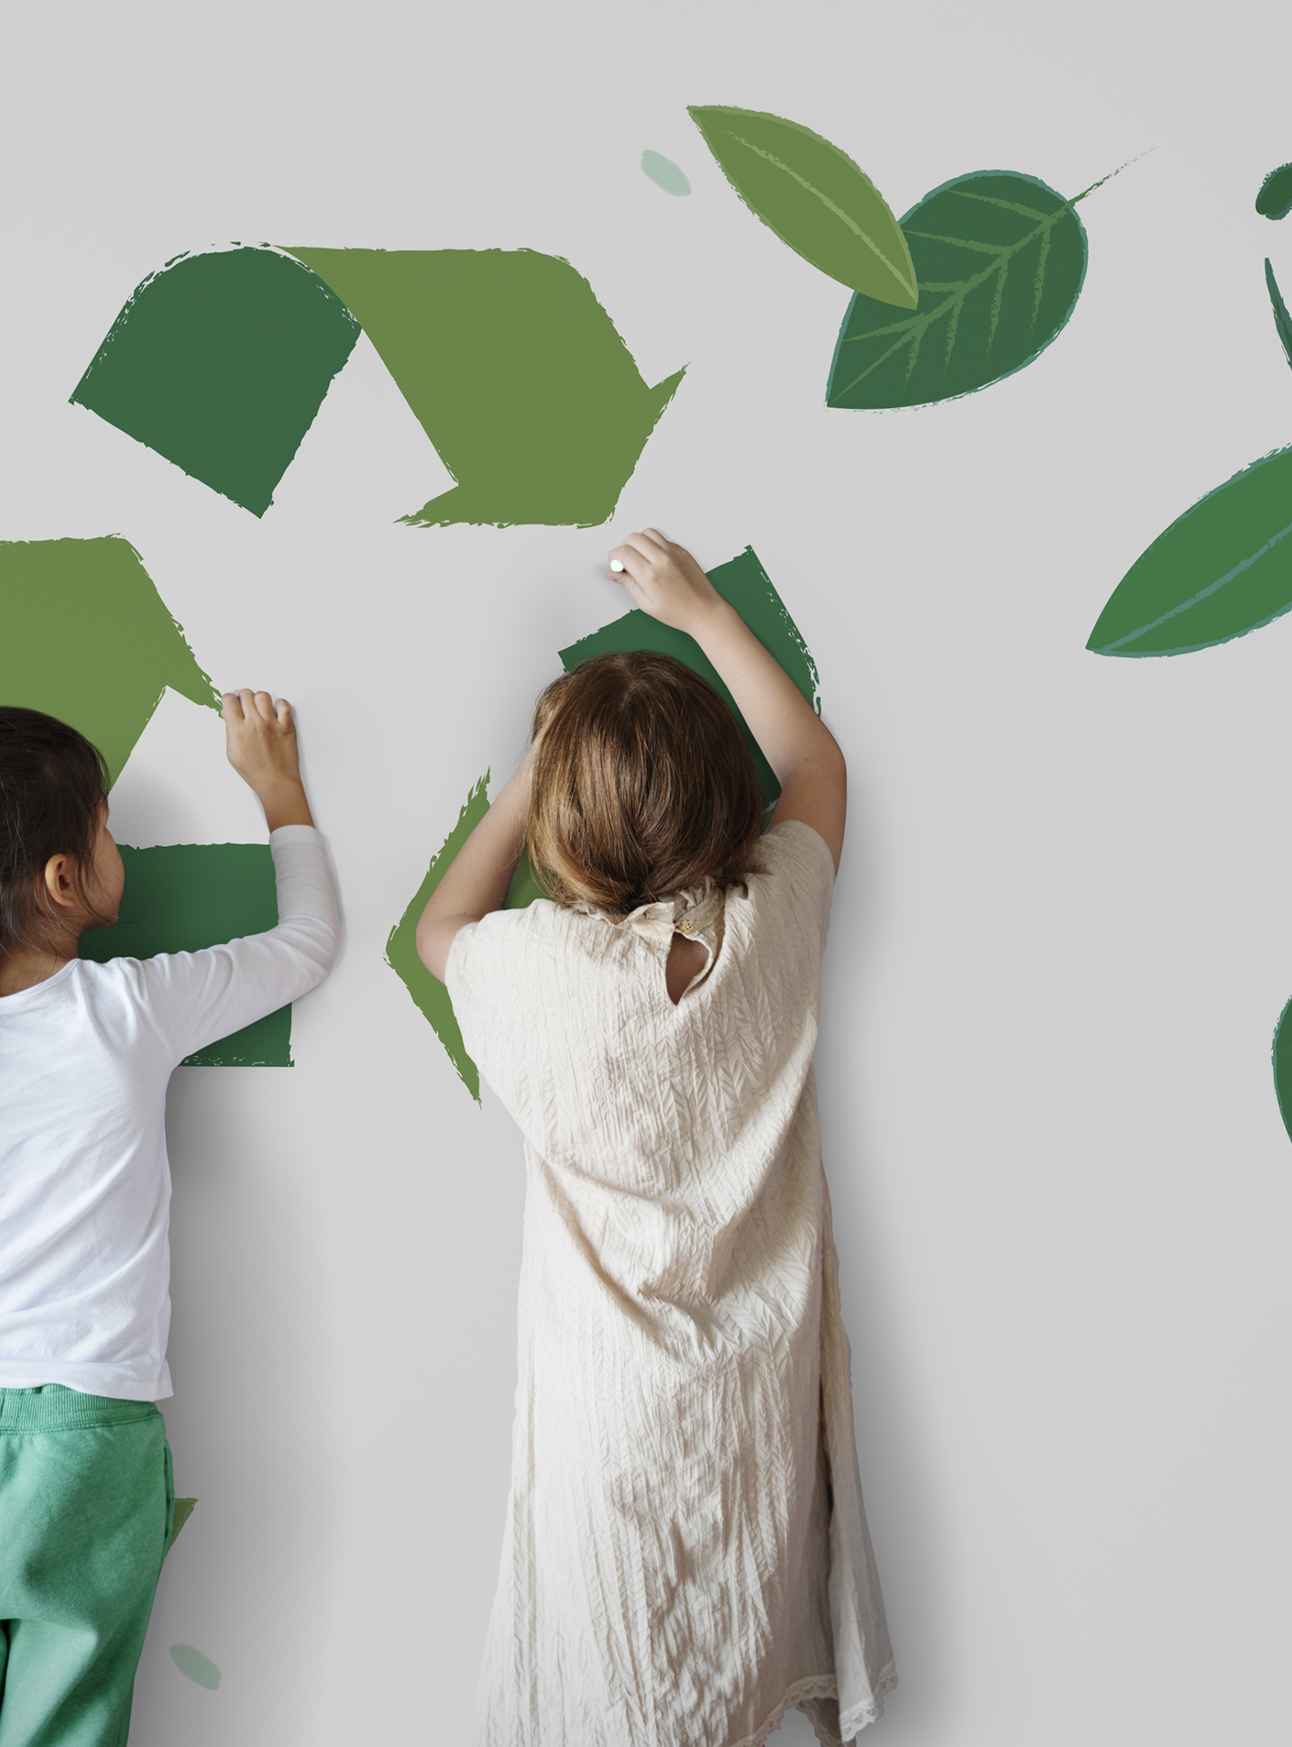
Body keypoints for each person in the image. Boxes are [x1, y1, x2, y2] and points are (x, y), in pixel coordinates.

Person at [416, 528, 893, 1747]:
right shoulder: (774, 920)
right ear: (727, 801)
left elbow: (440, 926)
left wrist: (535, 767)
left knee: (610, 1682)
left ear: (558, 823)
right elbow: (816, 762)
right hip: (753, 1409)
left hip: (601, 1419)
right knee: (731, 1683)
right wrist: (705, 613)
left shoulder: (530, 973)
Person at [0, 694, 338, 1747]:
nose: (116, 840)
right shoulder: (130, 1010)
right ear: (64, 881)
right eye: (106, 828)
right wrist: (279, 792)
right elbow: (308, 945)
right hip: (91, 1436)